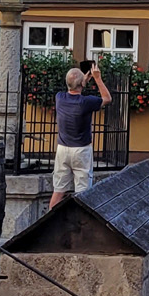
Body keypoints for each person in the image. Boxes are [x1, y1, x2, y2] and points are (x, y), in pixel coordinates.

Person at [50, 63, 110, 208]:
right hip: (81, 151)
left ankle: (47, 220)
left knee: (58, 190)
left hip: (63, 149)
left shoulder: (60, 98)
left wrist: (83, 80)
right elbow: (107, 98)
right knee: (82, 193)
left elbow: (73, 88)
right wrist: (97, 78)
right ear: (81, 84)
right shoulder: (85, 102)